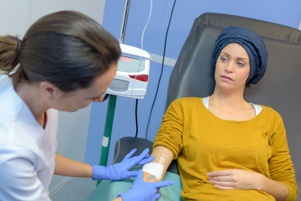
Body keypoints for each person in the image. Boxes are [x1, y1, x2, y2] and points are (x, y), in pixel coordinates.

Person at [0, 10, 173, 201]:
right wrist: (127, 199)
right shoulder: (10, 148)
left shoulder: (37, 89)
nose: (100, 99)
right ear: (50, 90)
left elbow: (43, 157)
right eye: (91, 96)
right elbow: (26, 154)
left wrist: (102, 171)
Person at [142, 26, 298, 201]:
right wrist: (137, 191)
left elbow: (290, 191)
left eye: (240, 63)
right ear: (216, 61)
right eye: (224, 59)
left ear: (251, 72)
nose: (229, 68)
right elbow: (157, 165)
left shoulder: (271, 119)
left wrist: (258, 182)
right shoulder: (184, 109)